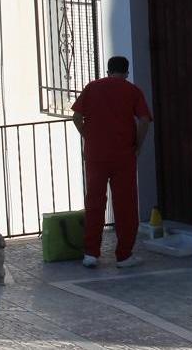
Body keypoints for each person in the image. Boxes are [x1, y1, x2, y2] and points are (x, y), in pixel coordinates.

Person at [71, 55, 152, 268]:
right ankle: (124, 255)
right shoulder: (132, 91)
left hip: (96, 155)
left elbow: (76, 117)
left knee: (95, 202)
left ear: (108, 70)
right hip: (123, 155)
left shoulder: (92, 87)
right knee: (125, 204)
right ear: (126, 72)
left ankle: (91, 253)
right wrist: (138, 144)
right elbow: (144, 120)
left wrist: (88, 136)